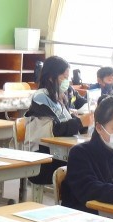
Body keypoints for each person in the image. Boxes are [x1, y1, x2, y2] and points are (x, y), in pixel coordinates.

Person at [24, 55, 92, 185]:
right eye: (64, 77)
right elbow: (55, 130)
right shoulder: (41, 97)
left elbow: (67, 124)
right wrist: (79, 122)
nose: (67, 82)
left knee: (89, 163)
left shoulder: (58, 96)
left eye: (68, 78)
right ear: (51, 77)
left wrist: (84, 123)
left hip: (57, 154)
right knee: (84, 168)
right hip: (42, 161)